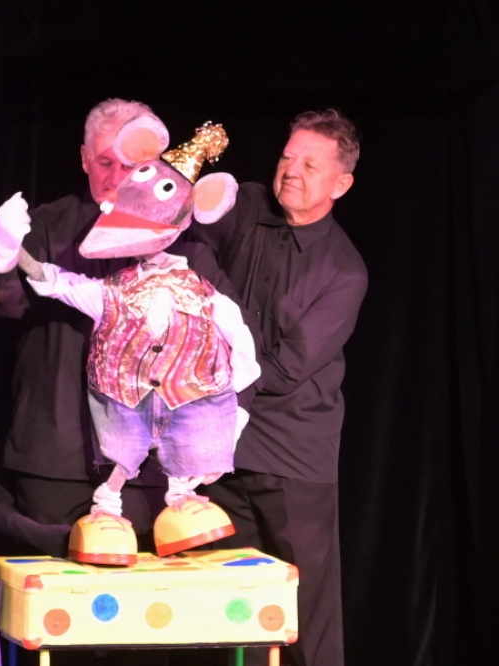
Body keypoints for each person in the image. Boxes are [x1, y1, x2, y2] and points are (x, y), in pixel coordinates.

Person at [175, 109, 368, 666]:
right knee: (227, 610)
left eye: (310, 165)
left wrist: (221, 310)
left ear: (340, 184)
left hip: (291, 455)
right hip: (219, 451)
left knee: (305, 614)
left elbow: (282, 371)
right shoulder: (248, 203)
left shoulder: (344, 271)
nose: (292, 171)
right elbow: (183, 234)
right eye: (288, 156)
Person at [0, 98, 173, 557]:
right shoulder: (50, 225)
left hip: (144, 469)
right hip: (55, 458)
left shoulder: (177, 235)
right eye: (105, 162)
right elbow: (6, 305)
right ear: (85, 158)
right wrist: (1, 257)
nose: (116, 176)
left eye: (131, 165)